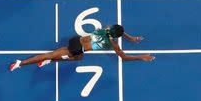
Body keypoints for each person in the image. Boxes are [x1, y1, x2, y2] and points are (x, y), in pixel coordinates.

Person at [9, 24, 154, 71]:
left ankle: (50, 61)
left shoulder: (107, 28)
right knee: (50, 55)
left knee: (78, 58)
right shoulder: (113, 44)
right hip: (76, 48)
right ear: (117, 36)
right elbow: (124, 58)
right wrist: (142, 57)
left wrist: (131, 38)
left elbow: (119, 31)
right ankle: (20, 63)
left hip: (76, 40)